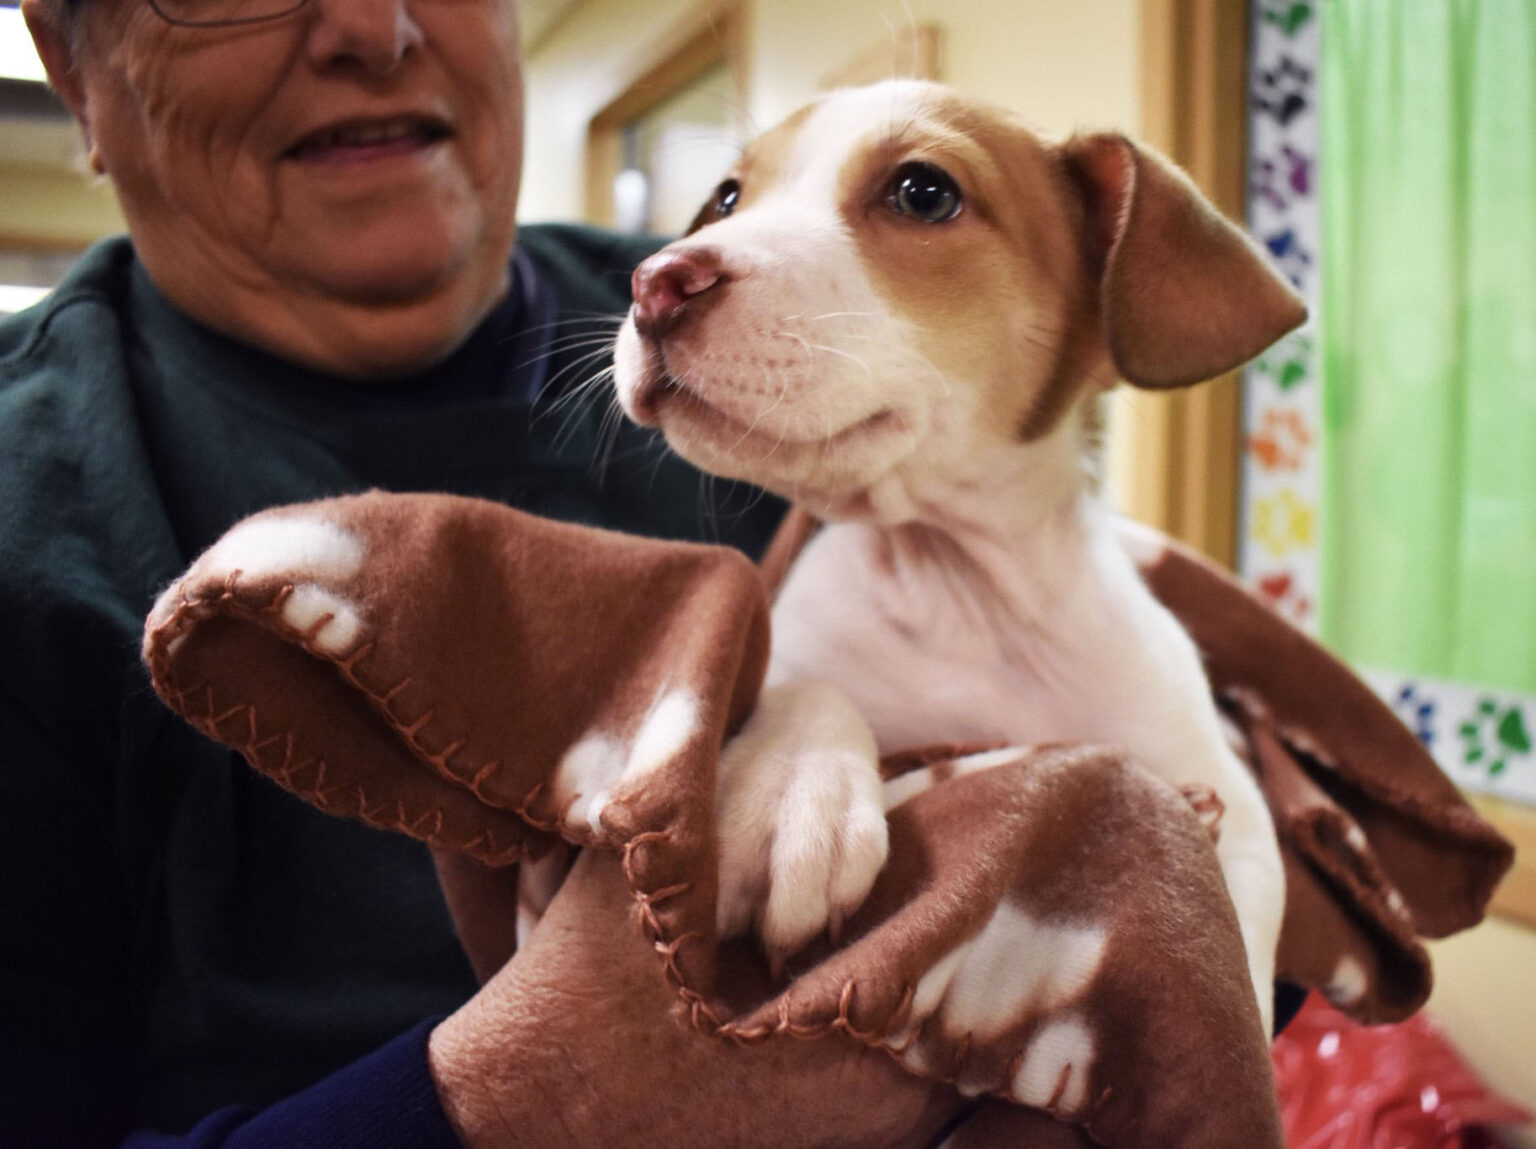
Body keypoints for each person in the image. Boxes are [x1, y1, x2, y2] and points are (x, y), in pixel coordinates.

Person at [0, 0, 803, 1142]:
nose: (376, 30)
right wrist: (532, 1091)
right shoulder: (33, 501)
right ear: (73, 71)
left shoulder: (749, 327)